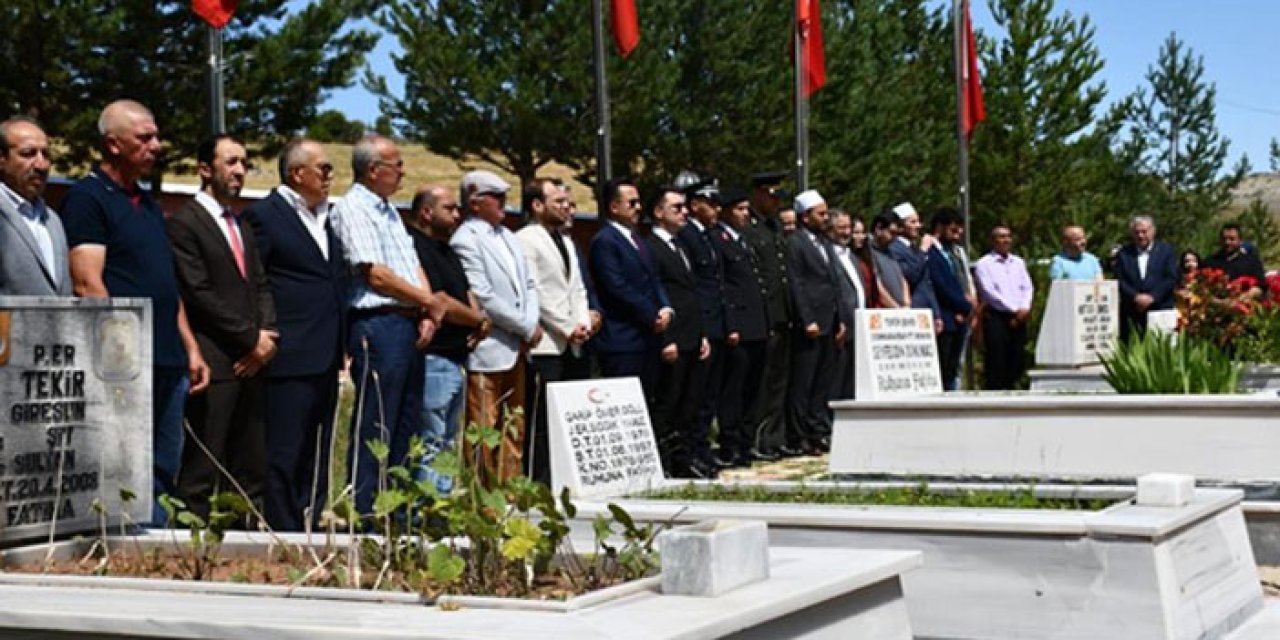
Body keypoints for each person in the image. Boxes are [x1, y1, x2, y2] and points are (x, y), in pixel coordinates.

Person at [62, 100, 210, 524]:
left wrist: (190, 347)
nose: (156, 146)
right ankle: (125, 543)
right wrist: (120, 357)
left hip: (169, 359)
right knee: (123, 466)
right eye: (144, 138)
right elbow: (88, 283)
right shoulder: (88, 199)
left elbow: (165, 283)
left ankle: (155, 543)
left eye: (156, 136)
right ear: (113, 144)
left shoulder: (147, 203)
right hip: (125, 362)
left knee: (163, 466)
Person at [330, 134, 445, 515]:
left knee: (407, 422)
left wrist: (426, 311)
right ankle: (367, 510)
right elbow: (376, 275)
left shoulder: (390, 212)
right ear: (373, 169)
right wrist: (428, 301)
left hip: (407, 322)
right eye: (396, 165)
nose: (403, 172)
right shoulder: (353, 209)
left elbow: (411, 264)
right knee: (377, 423)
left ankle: (398, 508)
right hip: (379, 324)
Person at [240, 138, 347, 531]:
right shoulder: (265, 216)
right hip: (289, 351)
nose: (330, 176)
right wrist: (261, 333)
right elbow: (254, 280)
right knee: (286, 445)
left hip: (327, 350)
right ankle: (283, 525)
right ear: (297, 173)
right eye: (324, 168)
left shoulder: (329, 218)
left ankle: (310, 519)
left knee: (318, 447)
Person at [168, 135, 275, 520]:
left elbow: (259, 283)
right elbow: (198, 293)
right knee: (204, 463)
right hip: (215, 359)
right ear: (204, 169)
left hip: (255, 361)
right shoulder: (185, 223)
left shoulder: (241, 224)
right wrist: (249, 338)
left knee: (250, 464)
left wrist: (268, 336)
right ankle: (191, 539)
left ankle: (246, 536)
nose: (240, 171)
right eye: (231, 162)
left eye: (244, 163)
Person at [451, 170, 540, 484]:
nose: (503, 202)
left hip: (516, 345)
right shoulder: (465, 239)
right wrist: (524, 326)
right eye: (495, 196)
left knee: (514, 424)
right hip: (488, 346)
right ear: (475, 202)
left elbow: (528, 284)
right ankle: (483, 492)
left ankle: (510, 487)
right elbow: (484, 295)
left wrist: (530, 322)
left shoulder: (509, 237)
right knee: (484, 425)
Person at [404, 184, 488, 493]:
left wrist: (479, 318)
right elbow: (441, 302)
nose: (457, 215)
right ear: (426, 212)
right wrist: (478, 320)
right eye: (449, 209)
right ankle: (426, 508)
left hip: (457, 358)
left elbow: (466, 294)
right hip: (434, 359)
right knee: (431, 440)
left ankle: (442, 503)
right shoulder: (415, 246)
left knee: (448, 442)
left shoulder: (448, 250)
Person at [515, 178, 592, 484]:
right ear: (537, 205)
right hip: (547, 341)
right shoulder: (525, 239)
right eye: (558, 201)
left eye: (566, 202)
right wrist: (566, 327)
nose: (566, 207)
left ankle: (568, 477)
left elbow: (577, 288)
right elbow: (536, 292)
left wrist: (583, 323)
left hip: (574, 341)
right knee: (543, 418)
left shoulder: (566, 241)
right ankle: (541, 480)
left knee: (569, 416)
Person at [645, 186, 712, 478]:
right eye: (677, 208)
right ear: (659, 212)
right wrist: (667, 338)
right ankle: (666, 460)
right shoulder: (651, 246)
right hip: (672, 337)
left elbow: (690, 292)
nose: (684, 212)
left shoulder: (680, 244)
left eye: (685, 207)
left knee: (690, 403)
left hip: (692, 335)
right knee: (668, 403)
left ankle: (685, 457)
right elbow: (658, 294)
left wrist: (702, 335)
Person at [588, 177, 673, 399]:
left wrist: (665, 308)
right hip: (622, 339)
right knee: (625, 401)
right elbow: (616, 286)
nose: (639, 208)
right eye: (632, 203)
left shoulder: (638, 240)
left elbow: (654, 278)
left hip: (647, 338)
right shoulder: (605, 241)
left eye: (639, 202)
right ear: (614, 207)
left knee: (648, 399)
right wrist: (651, 314)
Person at [713, 189, 770, 466]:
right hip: (739, 325)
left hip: (757, 324)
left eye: (747, 209)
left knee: (752, 389)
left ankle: (746, 441)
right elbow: (724, 286)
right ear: (726, 211)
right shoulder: (719, 240)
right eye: (740, 209)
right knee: (734, 389)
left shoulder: (742, 240)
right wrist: (731, 325)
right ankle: (731, 443)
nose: (746, 214)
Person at [786, 190, 845, 454]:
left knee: (823, 381)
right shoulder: (796, 243)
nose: (825, 218)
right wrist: (806, 318)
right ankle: (799, 434)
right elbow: (796, 283)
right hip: (811, 323)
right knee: (804, 382)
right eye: (820, 214)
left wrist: (840, 319)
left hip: (830, 320)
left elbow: (834, 282)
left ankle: (818, 429)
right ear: (805, 216)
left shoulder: (825, 243)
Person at [680, 181, 732, 468]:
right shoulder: (687, 235)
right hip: (702, 325)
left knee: (710, 394)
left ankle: (702, 447)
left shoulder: (709, 236)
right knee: (696, 395)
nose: (716, 210)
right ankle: (691, 449)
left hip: (717, 322)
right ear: (695, 205)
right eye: (710, 204)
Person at [742, 171, 794, 458]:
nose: (776, 203)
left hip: (783, 313)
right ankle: (758, 437)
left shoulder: (775, 228)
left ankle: (775, 436)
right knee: (763, 382)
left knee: (779, 382)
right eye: (772, 197)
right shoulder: (750, 230)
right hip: (766, 316)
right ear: (760, 194)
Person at [0, 117, 72, 296]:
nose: (41, 165)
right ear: (2, 159)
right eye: (28, 154)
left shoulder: (52, 219)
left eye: (46, 154)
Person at [974, 225, 1034, 390]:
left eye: (1008, 236)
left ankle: (1013, 390)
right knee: (997, 359)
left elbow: (1027, 287)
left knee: (1017, 358)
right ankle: (994, 393)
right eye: (1001, 237)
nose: (1006, 240)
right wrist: (1013, 309)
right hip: (997, 316)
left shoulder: (1018, 262)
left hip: (1020, 316)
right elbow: (988, 292)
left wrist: (1024, 307)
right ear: (993, 241)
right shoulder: (984, 264)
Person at [926, 208, 974, 391]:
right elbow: (941, 286)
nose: (958, 233)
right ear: (940, 227)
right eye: (953, 229)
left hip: (960, 319)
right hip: (946, 317)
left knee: (954, 368)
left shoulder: (955, 253)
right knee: (944, 368)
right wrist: (963, 306)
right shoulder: (931, 253)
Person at [1113, 215, 1179, 339]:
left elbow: (1171, 278)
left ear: (1153, 231)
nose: (1141, 236)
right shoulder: (1123, 253)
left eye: (1144, 232)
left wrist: (1152, 297)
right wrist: (1136, 297)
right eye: (1137, 232)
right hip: (1132, 311)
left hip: (1160, 308)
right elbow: (1119, 280)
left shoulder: (1166, 251)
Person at [828, 209, 870, 400]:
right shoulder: (829, 255)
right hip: (841, 327)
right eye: (841, 228)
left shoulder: (851, 256)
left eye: (848, 228)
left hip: (858, 325)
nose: (846, 233)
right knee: (837, 378)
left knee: (852, 379)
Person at [890, 202, 942, 330]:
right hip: (912, 312)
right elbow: (911, 275)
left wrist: (936, 313)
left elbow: (927, 284)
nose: (918, 226)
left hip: (926, 312)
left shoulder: (913, 249)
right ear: (900, 226)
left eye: (918, 221)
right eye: (913, 222)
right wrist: (923, 251)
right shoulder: (894, 249)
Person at [1203, 223, 1266, 299]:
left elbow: (1261, 286)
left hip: (1244, 302)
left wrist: (1247, 295)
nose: (1227, 242)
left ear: (1240, 240)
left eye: (1232, 239)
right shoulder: (1210, 262)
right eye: (1224, 239)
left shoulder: (1252, 261)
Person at [869, 211, 910, 308]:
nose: (894, 238)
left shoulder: (891, 251)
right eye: (891, 233)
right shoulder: (869, 253)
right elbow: (877, 286)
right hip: (885, 311)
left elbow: (902, 279)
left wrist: (906, 303)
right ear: (878, 229)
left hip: (902, 309)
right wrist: (896, 308)